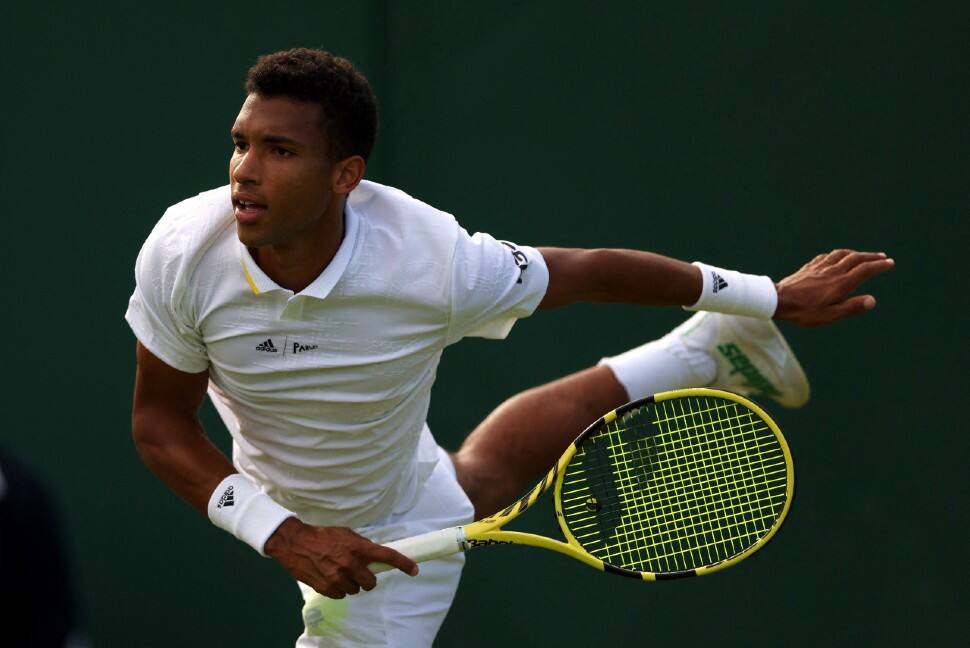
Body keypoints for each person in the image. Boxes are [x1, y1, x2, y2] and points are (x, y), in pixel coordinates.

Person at [125, 48, 893, 647]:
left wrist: (769, 294)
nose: (244, 173)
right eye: (240, 143)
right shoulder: (186, 252)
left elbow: (588, 272)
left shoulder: (436, 262)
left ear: (345, 176)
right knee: (481, 479)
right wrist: (283, 533)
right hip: (288, 490)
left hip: (391, 532)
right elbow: (160, 423)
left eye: (280, 151)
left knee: (467, 482)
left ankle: (711, 341)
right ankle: (700, 355)